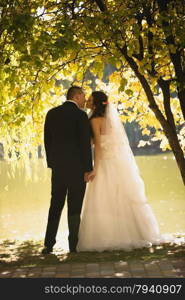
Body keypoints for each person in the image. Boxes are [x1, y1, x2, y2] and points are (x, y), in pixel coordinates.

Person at [77, 91, 168, 252]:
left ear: (96, 103)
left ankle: (109, 237)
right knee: (123, 197)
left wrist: (95, 169)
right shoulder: (109, 121)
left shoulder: (95, 120)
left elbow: (98, 146)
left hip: (104, 163)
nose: (87, 102)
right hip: (117, 162)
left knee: (104, 197)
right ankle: (137, 233)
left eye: (90, 100)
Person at [42, 86, 93, 254]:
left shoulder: (52, 113)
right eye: (83, 96)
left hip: (58, 169)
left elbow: (47, 142)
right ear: (76, 96)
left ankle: (48, 244)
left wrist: (52, 164)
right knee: (74, 207)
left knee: (55, 205)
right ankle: (73, 246)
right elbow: (85, 145)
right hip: (77, 170)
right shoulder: (80, 115)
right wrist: (88, 168)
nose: (85, 100)